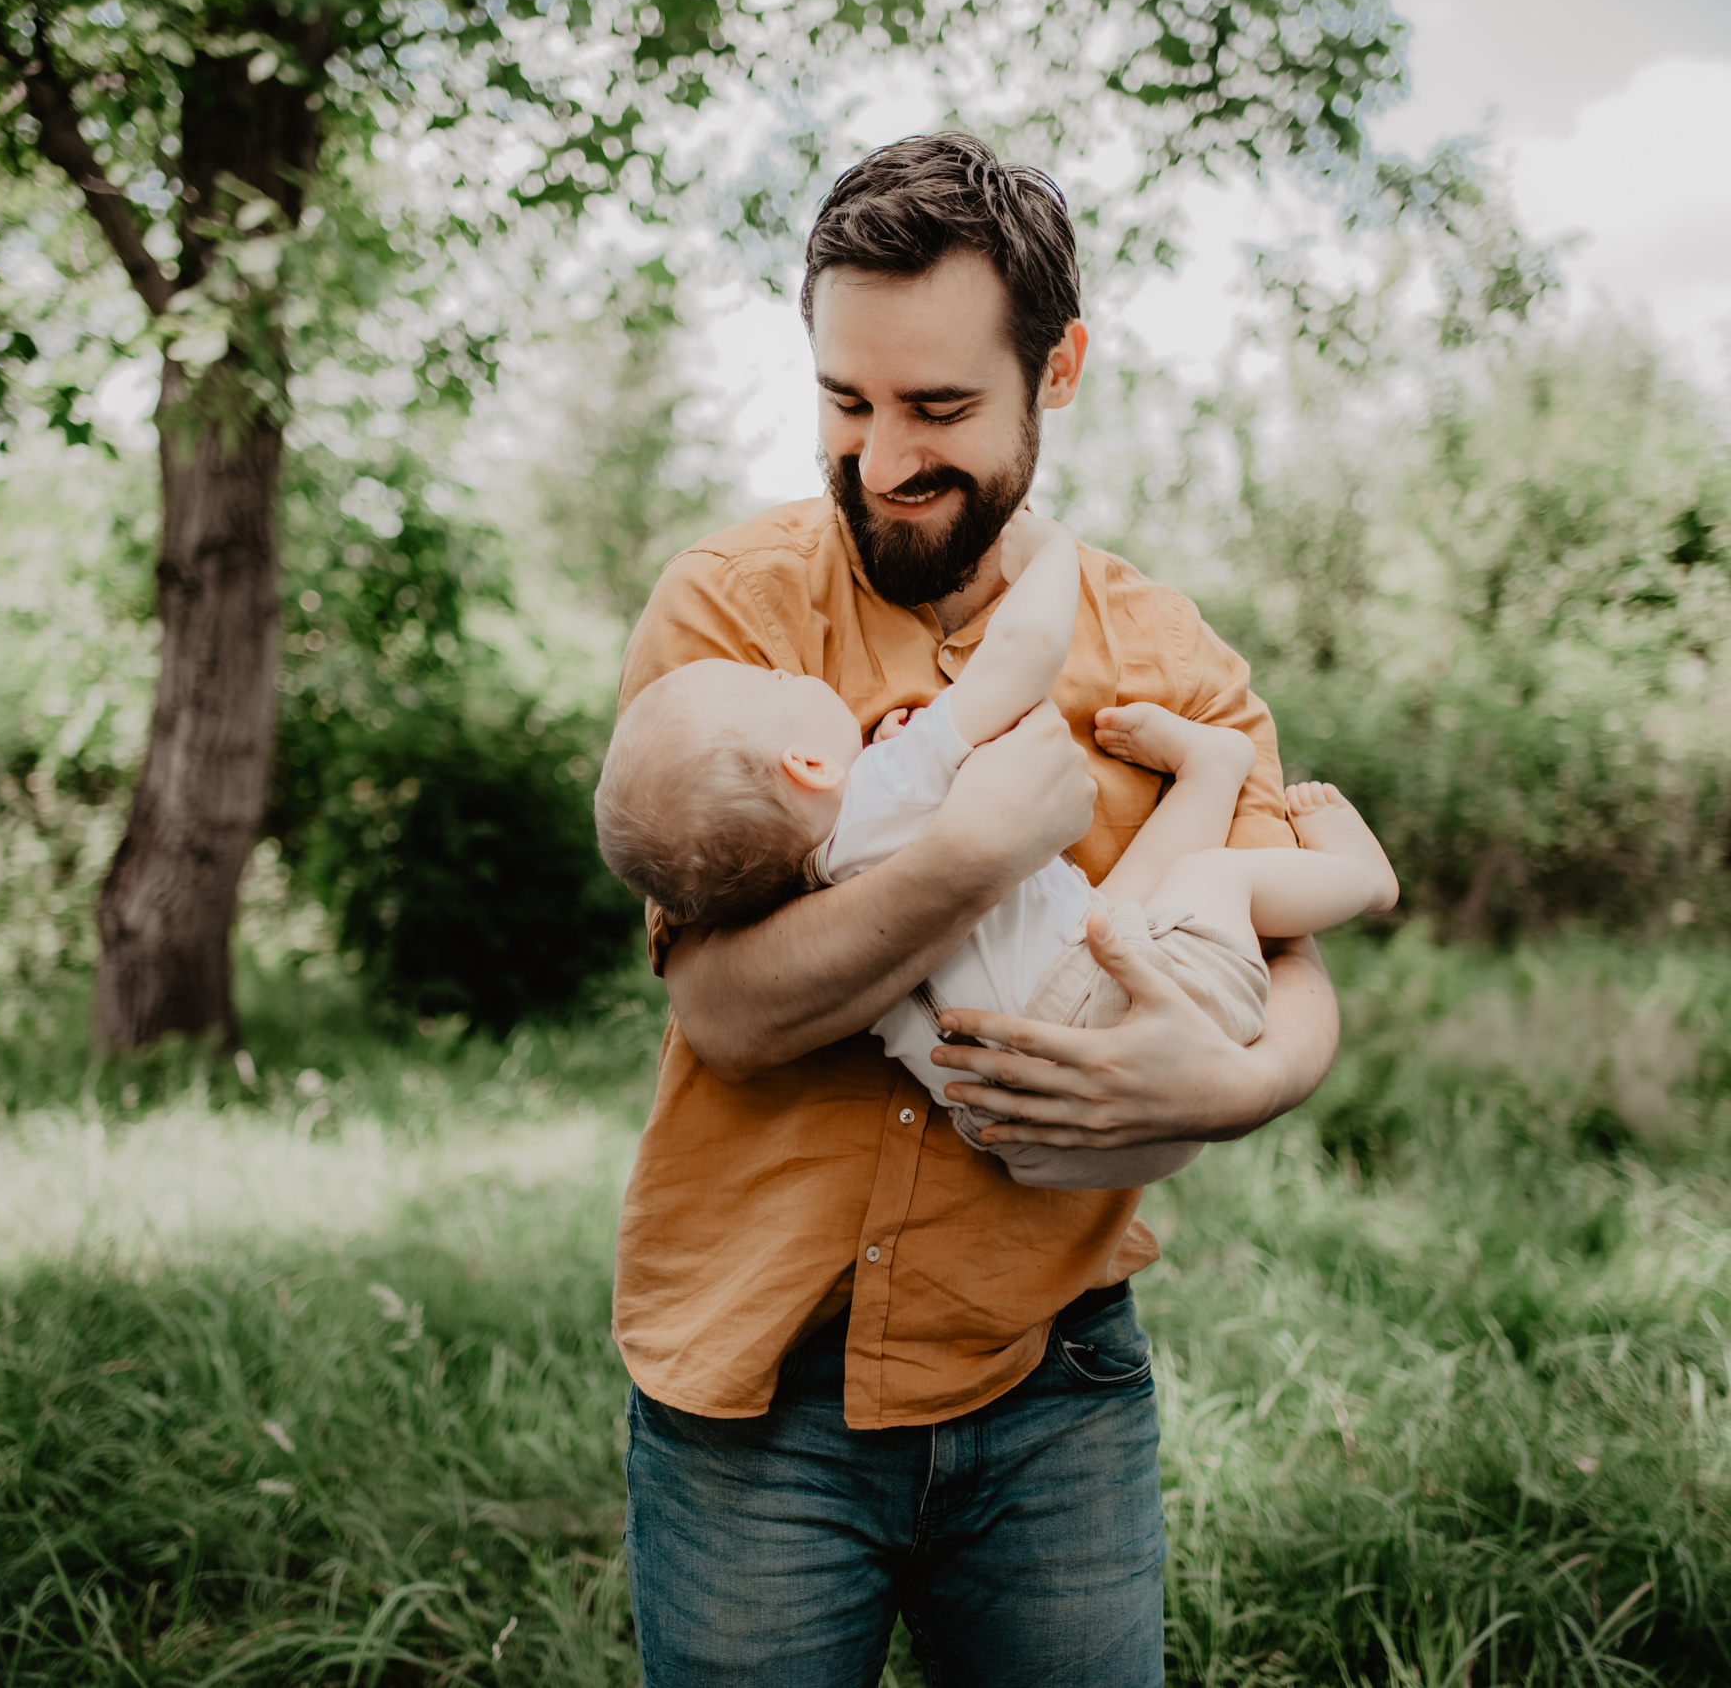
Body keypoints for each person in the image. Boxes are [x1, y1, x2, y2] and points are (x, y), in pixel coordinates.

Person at [609, 132, 1345, 1688]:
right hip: (755, 1396)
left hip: (1052, 1385)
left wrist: (1245, 1080)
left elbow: (1291, 958)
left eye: (939, 408)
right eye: (845, 402)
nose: (882, 458)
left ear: (1054, 369)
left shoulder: (1158, 644)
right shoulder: (729, 619)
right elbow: (725, 1015)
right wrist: (965, 858)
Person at [594, 510, 1398, 1190]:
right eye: (775, 686)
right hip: (1127, 1024)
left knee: (1117, 909)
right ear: (807, 764)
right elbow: (1022, 657)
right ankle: (1362, 880)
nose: (790, 678)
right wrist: (1052, 555)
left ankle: (1210, 774)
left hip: (1020, 1128)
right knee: (1209, 874)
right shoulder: (889, 781)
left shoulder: (801, 883)